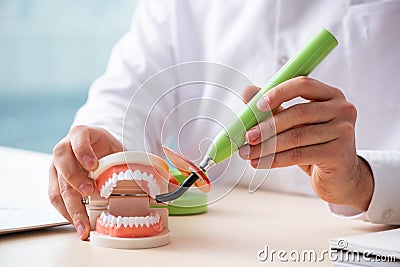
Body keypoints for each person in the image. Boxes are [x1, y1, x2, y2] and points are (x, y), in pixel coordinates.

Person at [48, 0, 400, 240]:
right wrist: (100, 152)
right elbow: (125, 92)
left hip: (360, 237)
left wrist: (363, 179)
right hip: (210, 241)